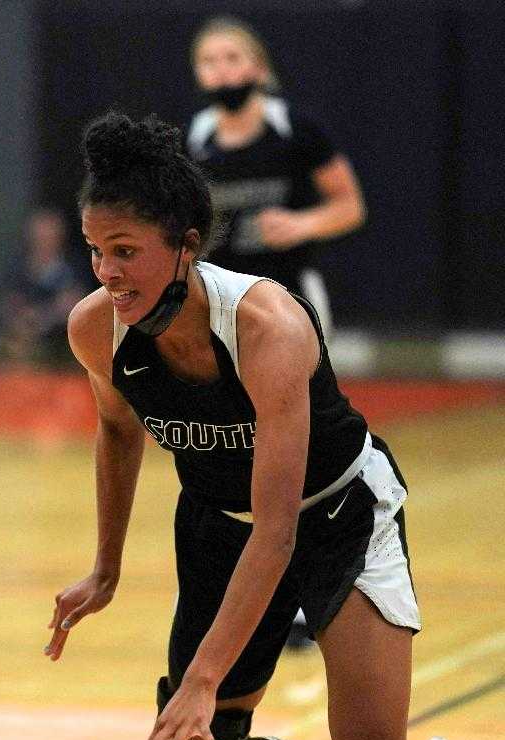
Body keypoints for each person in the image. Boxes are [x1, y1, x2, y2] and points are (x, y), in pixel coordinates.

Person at [44, 111, 489, 740]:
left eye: (125, 252)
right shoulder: (97, 331)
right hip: (219, 525)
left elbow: (279, 534)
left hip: (337, 516)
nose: (106, 272)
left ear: (186, 243)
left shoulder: (267, 326)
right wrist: (105, 568)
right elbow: (117, 432)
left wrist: (202, 681)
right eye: (94, 252)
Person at [187, 16, 367, 650]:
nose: (221, 70)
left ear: (257, 66)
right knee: (244, 447)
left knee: (302, 442)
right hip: (224, 312)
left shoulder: (294, 130)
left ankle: (324, 584)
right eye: (208, 61)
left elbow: (350, 205)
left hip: (292, 308)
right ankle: (263, 593)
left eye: (232, 57)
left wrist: (303, 224)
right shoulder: (201, 137)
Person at [0, 208, 86, 367]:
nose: (44, 240)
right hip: (21, 341)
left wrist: (47, 316)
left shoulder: (76, 269)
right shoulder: (16, 270)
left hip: (60, 348)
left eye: (49, 235)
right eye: (40, 235)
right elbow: (3, 304)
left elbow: (77, 305)